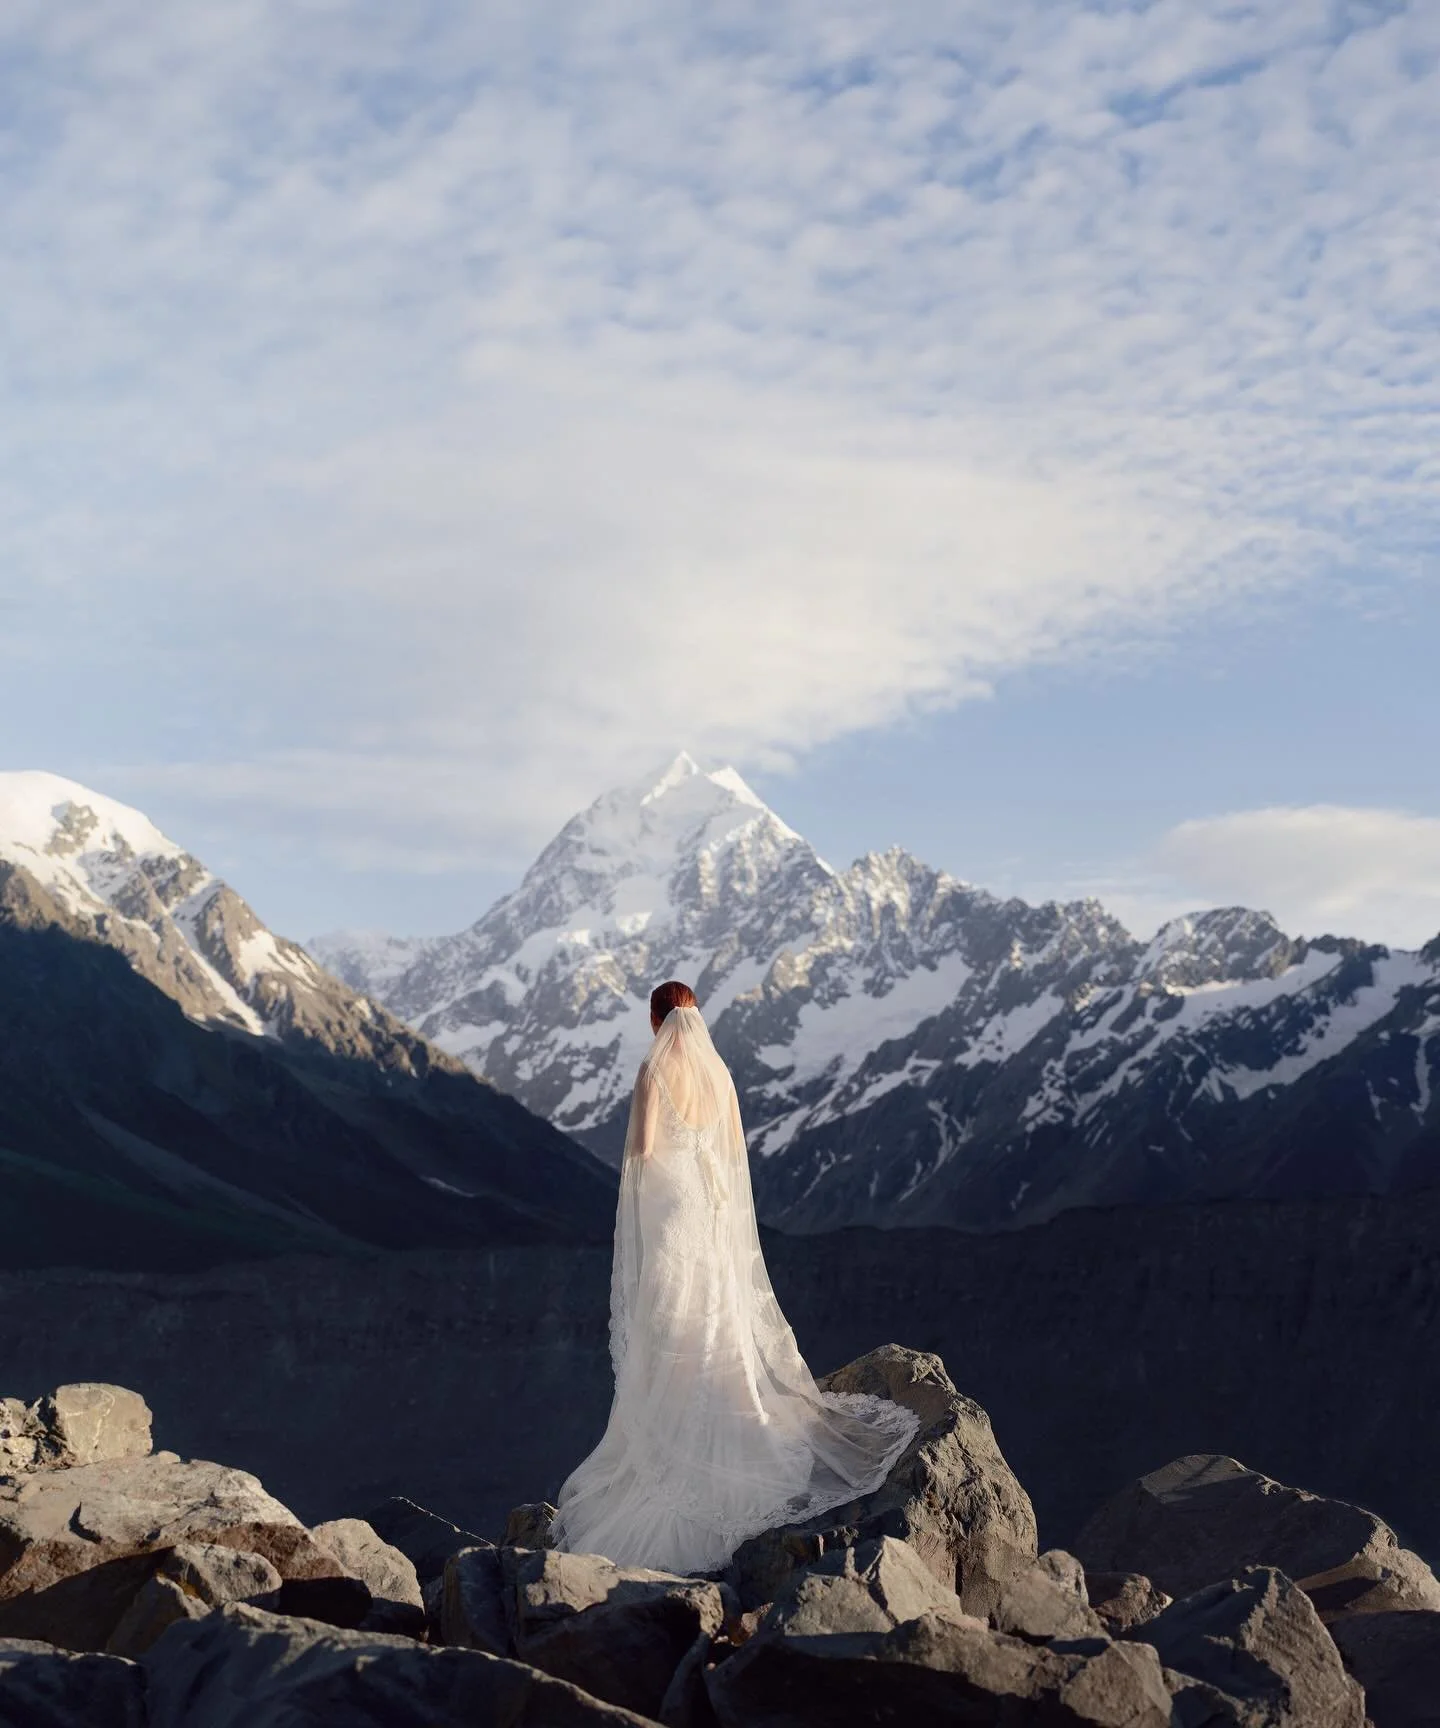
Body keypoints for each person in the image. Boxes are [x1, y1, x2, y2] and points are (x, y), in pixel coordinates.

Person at [551, 980, 919, 1575]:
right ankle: (725, 1420)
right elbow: (724, 1152)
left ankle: (677, 1439)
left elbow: (642, 1150)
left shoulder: (653, 1073)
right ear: (693, 1019)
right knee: (714, 1318)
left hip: (671, 1211)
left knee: (669, 1324)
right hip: (709, 1209)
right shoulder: (718, 1075)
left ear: (655, 1020)